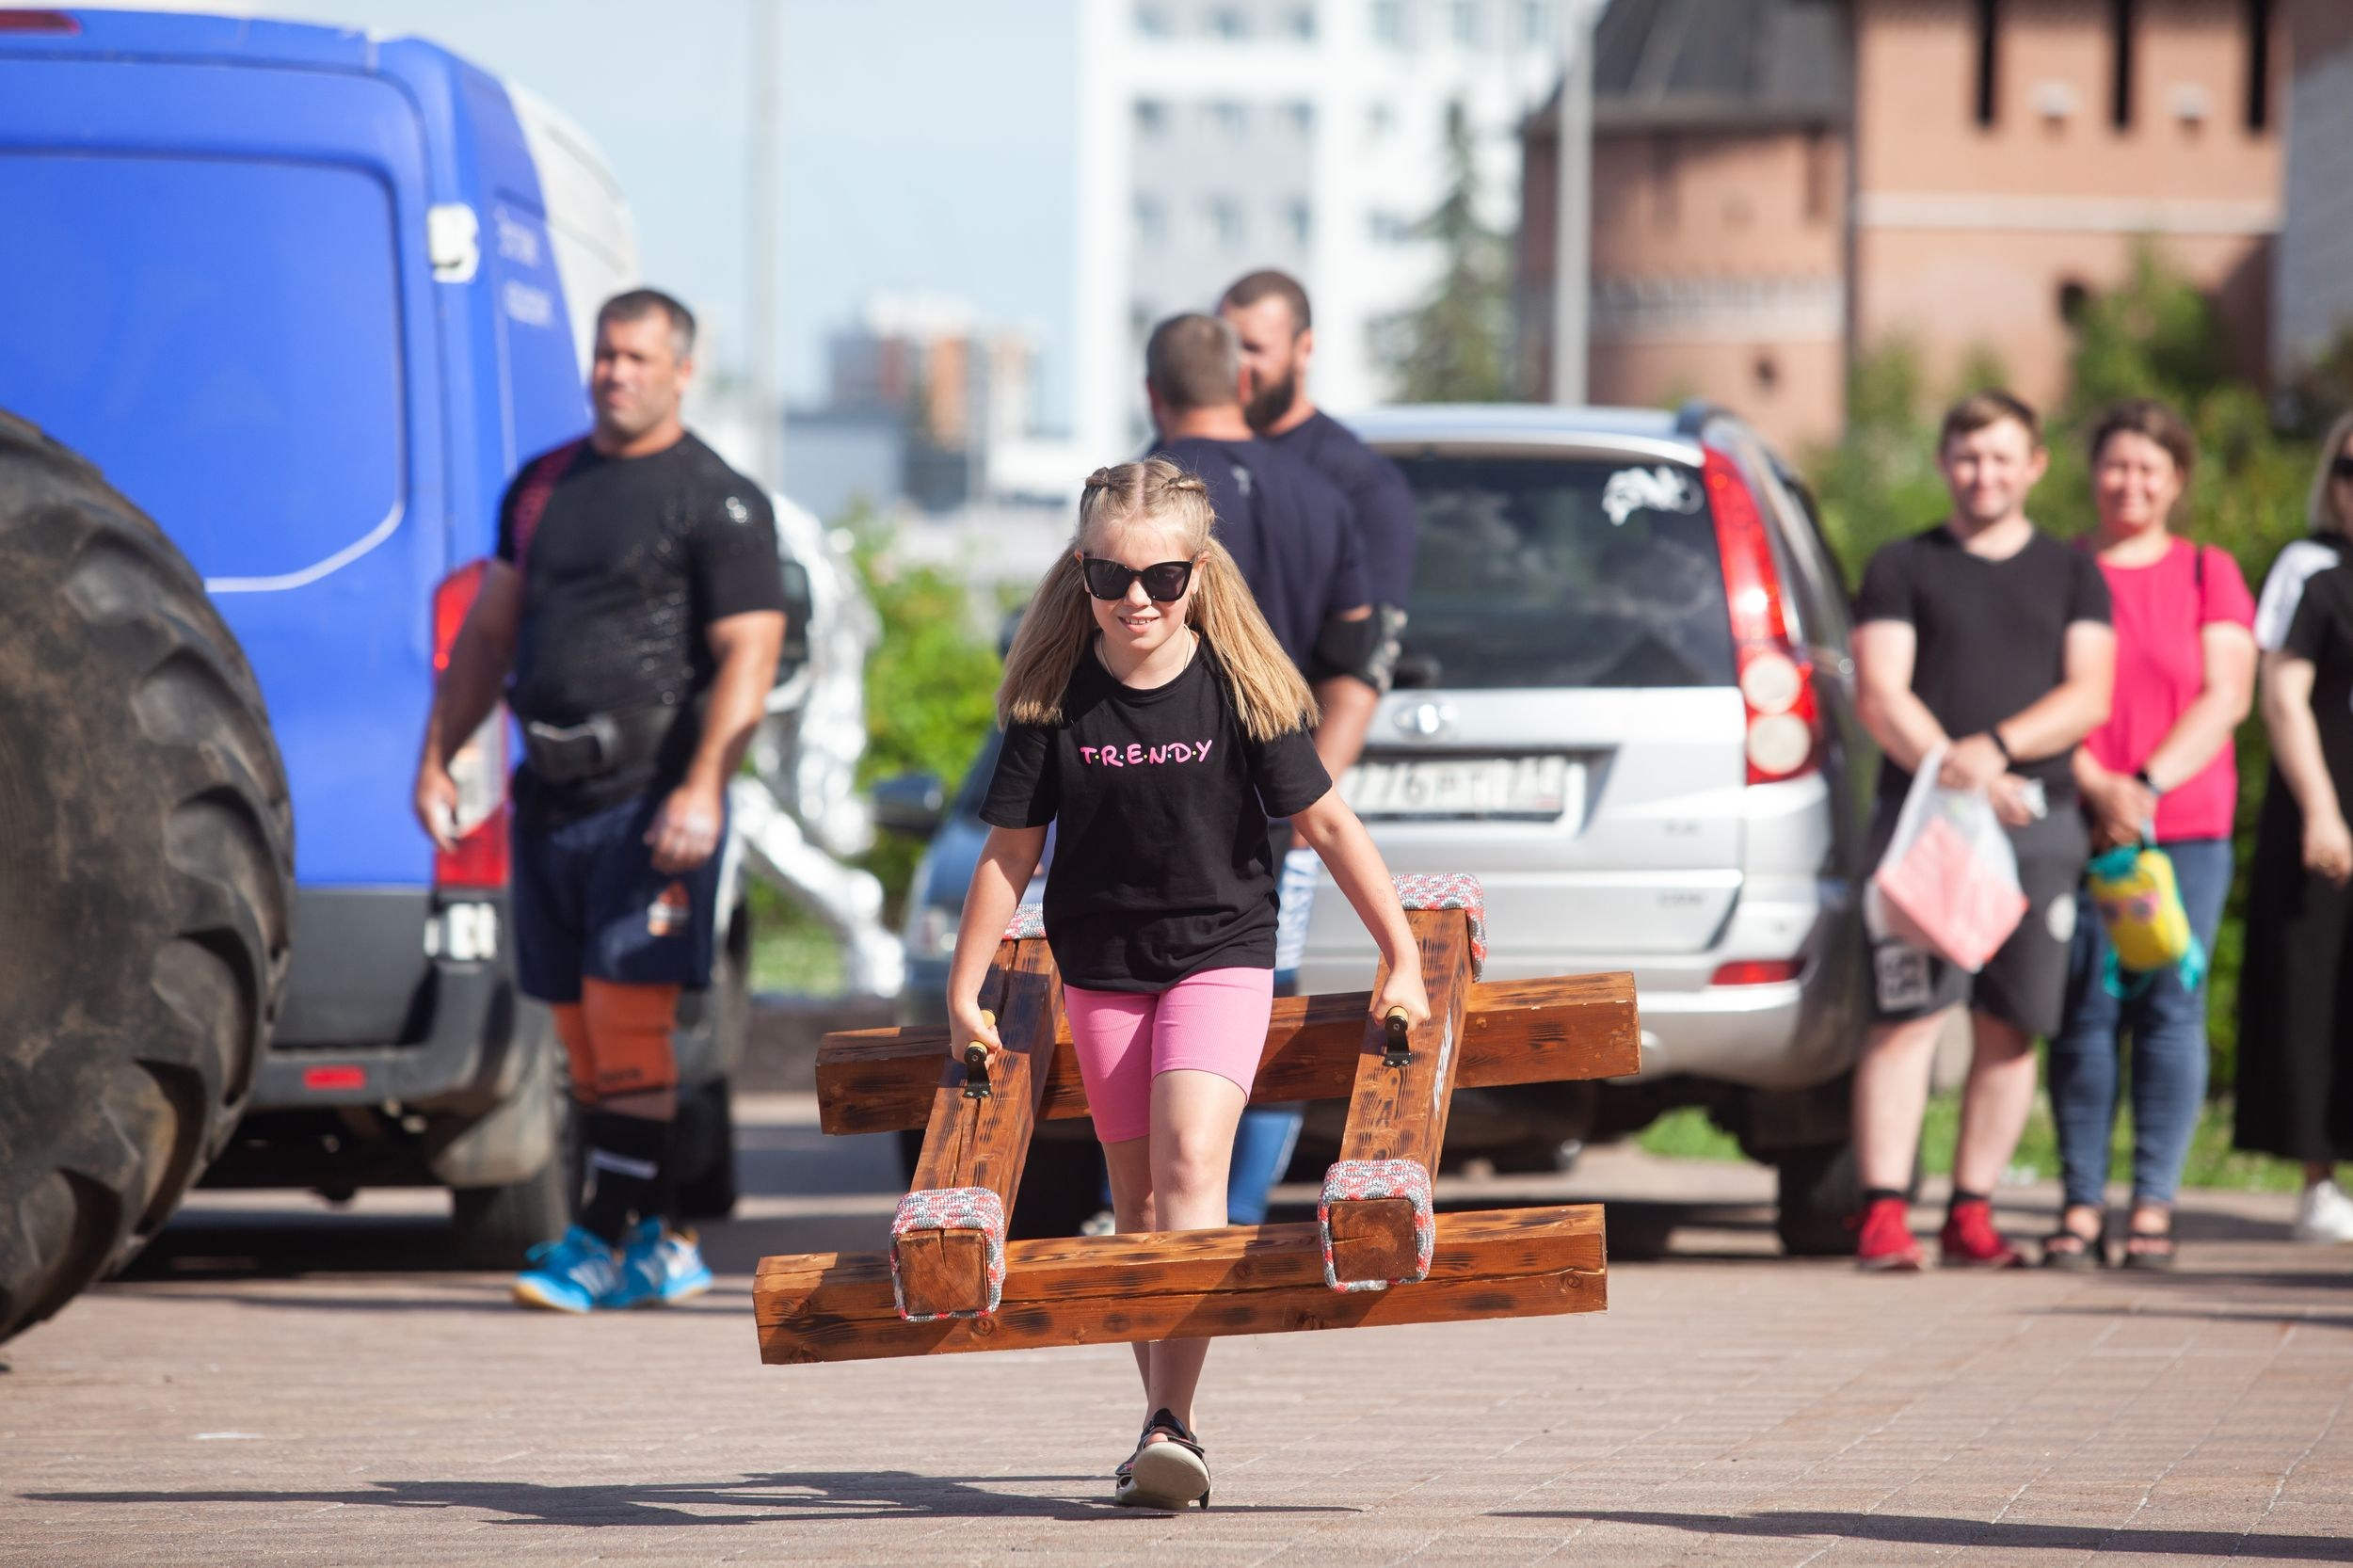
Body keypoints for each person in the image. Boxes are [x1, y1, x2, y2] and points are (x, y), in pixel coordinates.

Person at [952, 458, 1429, 1509]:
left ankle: (1173, 1424)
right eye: (1114, 577)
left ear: (1199, 575)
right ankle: (1162, 1424)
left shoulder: (1243, 689)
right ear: (1080, 573)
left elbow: (1329, 823)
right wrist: (963, 984)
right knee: (1134, 1203)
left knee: (1188, 1158)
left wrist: (1399, 954)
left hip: (1221, 952)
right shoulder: (1050, 699)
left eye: (1164, 580)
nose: (1137, 601)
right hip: (1103, 963)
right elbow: (1007, 853)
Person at [414, 288, 788, 1312]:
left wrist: (703, 785)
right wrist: (439, 755)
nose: (613, 372)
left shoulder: (717, 497)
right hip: (552, 796)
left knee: (628, 1024)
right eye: (603, 355)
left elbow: (748, 655)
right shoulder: (543, 485)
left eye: (634, 356)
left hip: (654, 800)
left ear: (681, 370)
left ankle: (595, 1239)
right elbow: (491, 632)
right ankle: (660, 1242)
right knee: (579, 1035)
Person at [1849, 390, 2115, 1272]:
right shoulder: (1900, 563)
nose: (1983, 473)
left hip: (2037, 825)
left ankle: (1973, 1213)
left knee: (2011, 1024)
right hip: (1925, 821)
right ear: (1943, 461)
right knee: (1907, 1018)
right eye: (1967, 456)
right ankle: (1885, 1211)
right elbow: (1882, 691)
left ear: (2035, 464)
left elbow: (2088, 696)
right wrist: (1960, 774)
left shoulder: (2074, 573)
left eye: (2002, 457)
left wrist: (1998, 752)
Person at [1140, 312, 1376, 1224]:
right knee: (1257, 1009)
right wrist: (1304, 785)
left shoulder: (1140, 503)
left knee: (1149, 1016)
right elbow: (1357, 665)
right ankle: (1229, 1215)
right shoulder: (1321, 494)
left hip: (1153, 798)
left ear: (1152, 396)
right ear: (1242, 382)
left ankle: (1167, 1220)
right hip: (1283, 805)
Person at [1222, 271, 1420, 1219]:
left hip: (1284, 787)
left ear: (1303, 348)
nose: (1238, 365)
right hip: (1179, 786)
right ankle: (1158, 1215)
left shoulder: (1352, 479)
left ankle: (1240, 1212)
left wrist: (1309, 798)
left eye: (1254, 345)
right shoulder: (1186, 454)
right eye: (1225, 344)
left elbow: (1362, 659)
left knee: (1265, 999)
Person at [2042, 402, 2255, 1271]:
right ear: (2092, 473)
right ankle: (2081, 1205)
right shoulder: (2059, 568)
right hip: (2077, 818)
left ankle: (2154, 1206)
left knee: (2170, 1006)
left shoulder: (2210, 570)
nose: (2129, 483)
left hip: (2184, 830)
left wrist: (2148, 785)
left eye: (2148, 468)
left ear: (2176, 480)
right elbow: (2033, 684)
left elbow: (2228, 694)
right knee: (2083, 1013)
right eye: (2115, 466)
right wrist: (2097, 784)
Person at [2235, 411, 2353, 1243]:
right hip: (2330, 811)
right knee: (2319, 988)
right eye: (2350, 469)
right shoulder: (2310, 570)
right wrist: (2321, 809)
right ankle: (2320, 1178)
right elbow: (2283, 696)